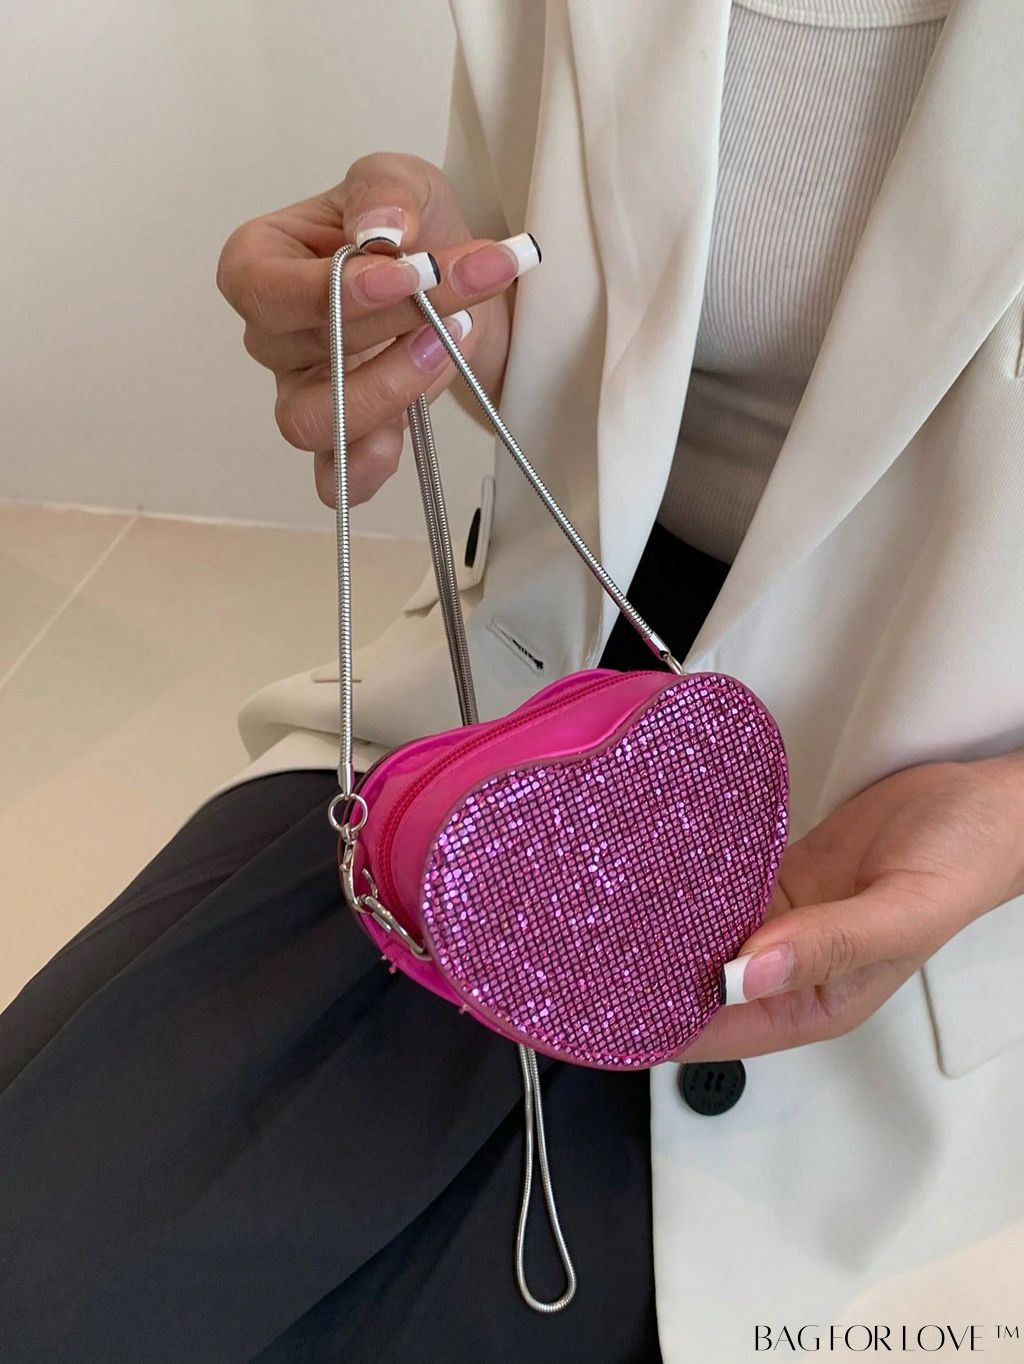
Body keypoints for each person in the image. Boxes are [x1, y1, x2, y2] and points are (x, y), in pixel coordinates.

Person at [2, 0, 1023, 1359]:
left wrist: (1010, 816)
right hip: (514, 717)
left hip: (946, 822)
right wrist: (449, 319)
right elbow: (583, 327)